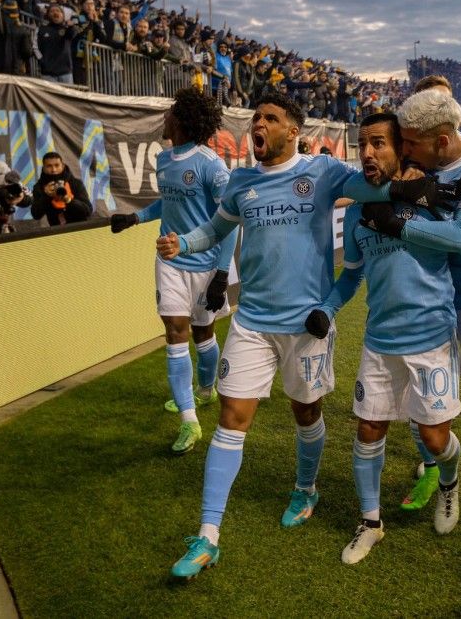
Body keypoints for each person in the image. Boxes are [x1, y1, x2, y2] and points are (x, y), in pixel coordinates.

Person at [153, 92, 442, 581]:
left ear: (294, 132)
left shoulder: (323, 175)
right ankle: (208, 534)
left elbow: (374, 188)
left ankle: (306, 488)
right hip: (252, 324)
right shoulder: (241, 182)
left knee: (306, 411)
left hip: (306, 326)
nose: (259, 125)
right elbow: (214, 230)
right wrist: (184, 241)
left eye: (271, 118)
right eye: (257, 118)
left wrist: (411, 177)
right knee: (231, 417)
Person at [314, 112, 461, 564]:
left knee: (436, 440)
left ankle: (449, 483)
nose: (367, 153)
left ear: (402, 148)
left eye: (379, 143)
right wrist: (326, 308)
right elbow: (352, 275)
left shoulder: (434, 199)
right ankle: (370, 522)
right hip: (379, 341)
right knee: (367, 429)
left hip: (432, 340)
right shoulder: (361, 210)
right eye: (362, 144)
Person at [359, 87, 461, 554]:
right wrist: (401, 185)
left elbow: (459, 237)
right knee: (419, 399)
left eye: (409, 142)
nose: (403, 149)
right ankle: (433, 472)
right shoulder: (425, 151)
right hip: (420, 297)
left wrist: (397, 221)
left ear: (443, 140)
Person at [109, 87, 237, 454]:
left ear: (181, 119)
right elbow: (167, 204)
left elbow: (229, 221)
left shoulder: (211, 164)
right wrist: (135, 217)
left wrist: (222, 274)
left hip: (207, 263)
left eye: (169, 112)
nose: (164, 117)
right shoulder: (164, 160)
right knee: (175, 331)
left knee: (204, 335)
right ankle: (189, 420)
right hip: (170, 261)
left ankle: (205, 391)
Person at [30, 152, 91, 225]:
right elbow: (36, 215)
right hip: (57, 231)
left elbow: (88, 211)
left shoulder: (75, 183)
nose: (53, 170)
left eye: (57, 165)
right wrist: (46, 196)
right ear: (43, 168)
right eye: (49, 166)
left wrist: (69, 200)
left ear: (63, 166)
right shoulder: (39, 187)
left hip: (80, 227)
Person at [37, 4, 77, 84]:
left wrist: (70, 26)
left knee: (66, 96)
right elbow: (35, 47)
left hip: (66, 72)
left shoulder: (67, 28)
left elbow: (72, 34)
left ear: (62, 15)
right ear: (48, 15)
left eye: (58, 11)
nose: (55, 13)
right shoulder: (41, 30)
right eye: (52, 11)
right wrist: (42, 61)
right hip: (47, 73)